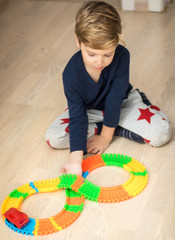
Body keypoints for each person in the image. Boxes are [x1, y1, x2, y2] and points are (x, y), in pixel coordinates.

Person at [45, 1, 172, 176]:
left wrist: (105, 138)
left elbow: (115, 99)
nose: (99, 62)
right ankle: (115, 127)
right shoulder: (70, 74)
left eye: (107, 54)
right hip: (89, 111)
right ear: (78, 41)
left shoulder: (122, 56)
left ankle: (111, 126)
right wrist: (75, 162)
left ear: (117, 41)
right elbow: (77, 115)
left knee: (161, 134)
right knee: (54, 138)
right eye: (91, 54)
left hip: (122, 103)